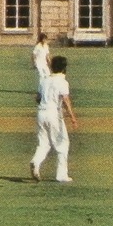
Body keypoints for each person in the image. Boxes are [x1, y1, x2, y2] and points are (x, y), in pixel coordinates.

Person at [29, 54, 79, 184]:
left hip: (41, 113)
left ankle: (36, 161)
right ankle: (61, 175)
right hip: (54, 115)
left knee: (43, 143)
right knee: (62, 144)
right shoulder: (62, 82)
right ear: (64, 68)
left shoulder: (44, 80)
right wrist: (73, 118)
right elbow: (66, 100)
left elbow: (38, 99)